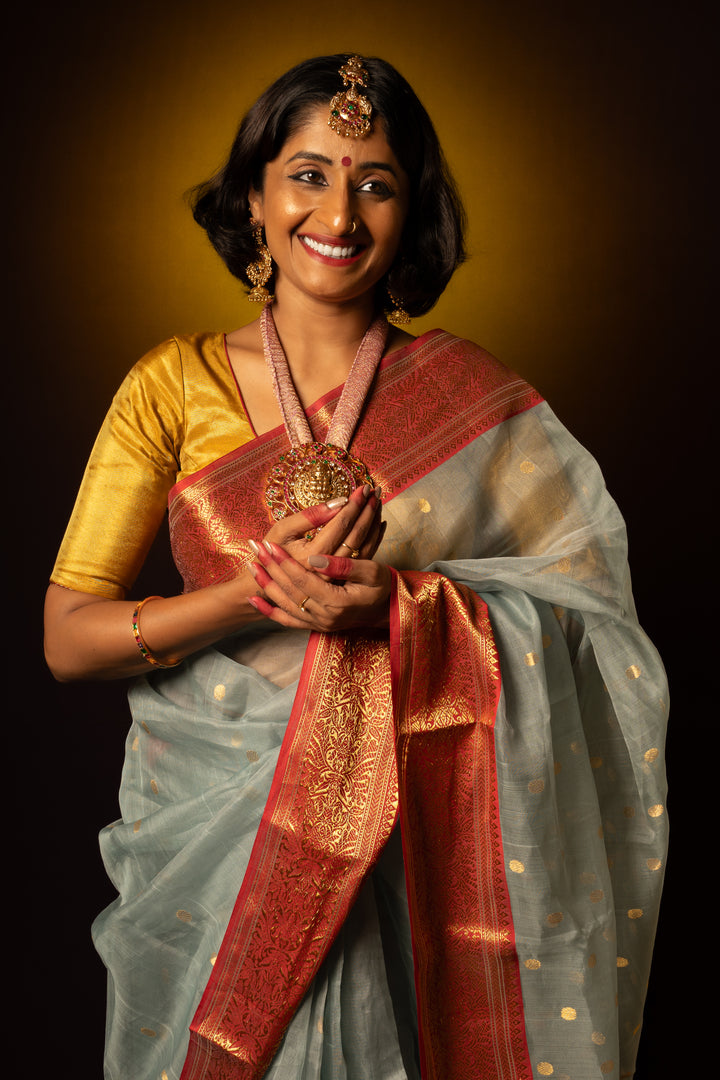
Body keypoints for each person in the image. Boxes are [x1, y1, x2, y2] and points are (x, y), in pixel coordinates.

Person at [44, 54, 668, 1080]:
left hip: (411, 840)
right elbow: (67, 639)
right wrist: (246, 596)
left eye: (375, 182)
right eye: (308, 173)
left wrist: (409, 609)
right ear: (254, 197)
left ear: (410, 209)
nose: (338, 210)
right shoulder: (171, 385)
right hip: (221, 842)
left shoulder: (469, 395)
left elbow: (595, 626)